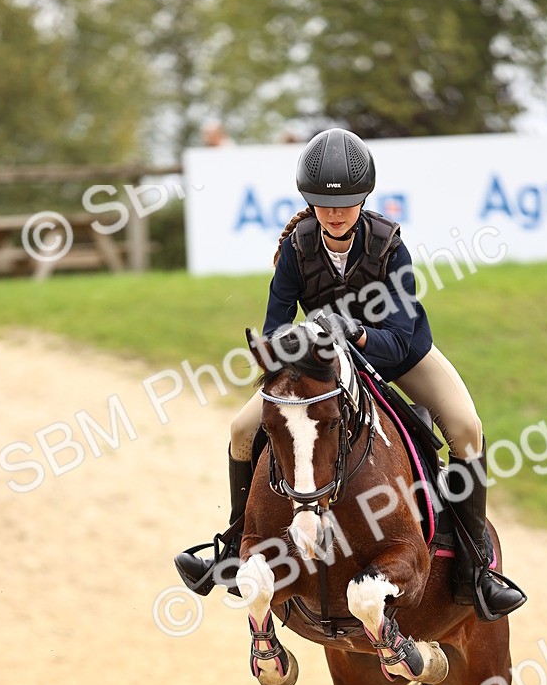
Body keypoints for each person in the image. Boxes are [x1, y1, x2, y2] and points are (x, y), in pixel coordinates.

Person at [175, 127, 526, 621]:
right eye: (323, 204)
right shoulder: (297, 249)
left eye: (345, 204)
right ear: (309, 201)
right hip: (322, 363)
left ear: (364, 199)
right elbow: (276, 327)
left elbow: (400, 338)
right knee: (240, 428)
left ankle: (476, 568)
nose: (335, 214)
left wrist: (355, 333)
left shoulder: (389, 246)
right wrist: (300, 345)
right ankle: (233, 547)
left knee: (466, 427)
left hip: (398, 355)